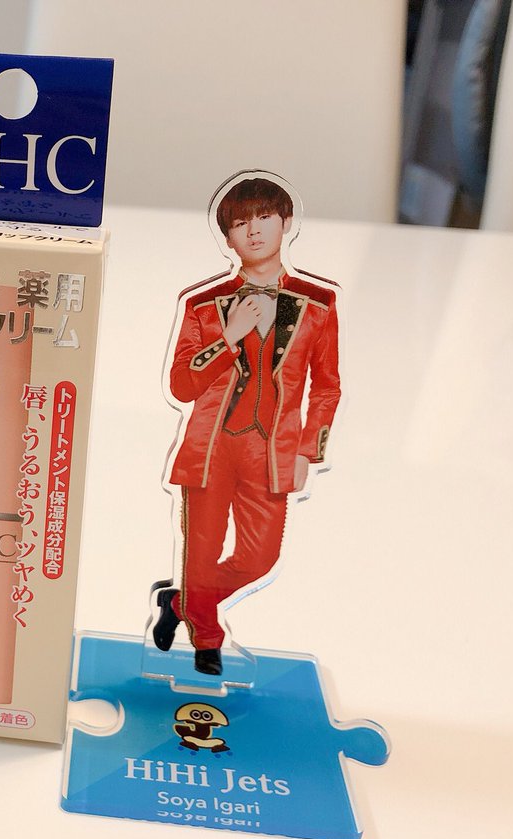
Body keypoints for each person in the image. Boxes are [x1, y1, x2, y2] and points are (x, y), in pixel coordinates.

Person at [152, 173, 341, 675]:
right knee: (201, 550)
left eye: (264, 217)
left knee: (260, 559)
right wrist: (229, 337)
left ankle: (182, 602)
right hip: (210, 448)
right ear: (228, 238)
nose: (254, 230)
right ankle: (206, 639)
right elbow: (182, 386)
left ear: (286, 222)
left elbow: (327, 386)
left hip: (271, 452)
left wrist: (307, 452)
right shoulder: (202, 305)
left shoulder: (318, 306)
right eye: (240, 223)